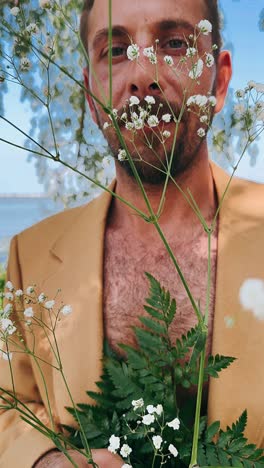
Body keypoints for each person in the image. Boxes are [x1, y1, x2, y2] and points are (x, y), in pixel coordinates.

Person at [1, 0, 264, 467]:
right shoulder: (31, 255)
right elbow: (8, 403)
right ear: (89, 93)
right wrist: (42, 460)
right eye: (116, 50)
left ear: (220, 81)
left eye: (175, 43)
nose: (143, 74)